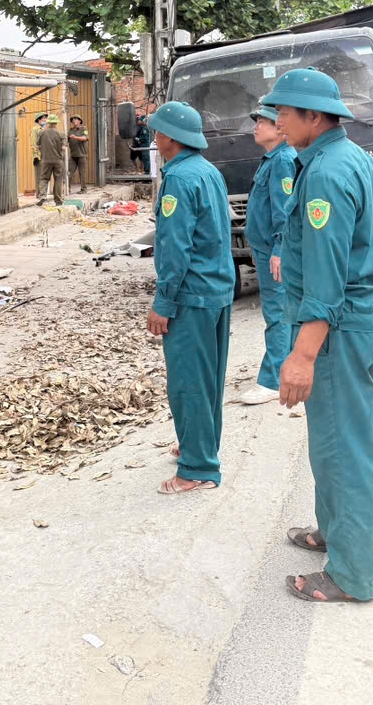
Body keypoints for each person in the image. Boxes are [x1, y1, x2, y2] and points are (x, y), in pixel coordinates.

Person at [261, 67, 373, 605]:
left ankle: (353, 575)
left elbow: (326, 274)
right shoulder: (345, 157)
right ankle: (334, 532)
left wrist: (301, 354)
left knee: (344, 450)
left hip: (337, 329)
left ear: (313, 117)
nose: (276, 122)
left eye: (284, 113)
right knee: (331, 442)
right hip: (353, 322)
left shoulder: (325, 174)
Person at [146, 101, 235, 495]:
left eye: (157, 131)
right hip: (216, 289)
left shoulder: (179, 178)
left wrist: (163, 302)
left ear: (170, 137)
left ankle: (197, 468)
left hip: (192, 296)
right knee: (208, 378)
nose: (154, 137)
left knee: (188, 382)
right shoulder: (207, 170)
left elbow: (175, 246)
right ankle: (199, 445)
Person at [242, 100, 298, 405]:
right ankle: (285, 369)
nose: (256, 126)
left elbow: (285, 212)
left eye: (261, 121)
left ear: (278, 128)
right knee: (281, 311)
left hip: (275, 251)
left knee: (277, 313)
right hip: (265, 250)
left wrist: (278, 249)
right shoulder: (272, 159)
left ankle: (273, 380)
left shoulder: (282, 161)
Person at [37, 113, 65, 205]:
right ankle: (58, 201)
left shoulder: (42, 132)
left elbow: (38, 146)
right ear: (56, 123)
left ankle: (43, 196)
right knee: (58, 180)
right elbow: (63, 148)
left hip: (45, 160)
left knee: (44, 178)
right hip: (58, 160)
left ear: (48, 123)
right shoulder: (61, 133)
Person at [68, 115, 89, 190]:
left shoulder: (84, 129)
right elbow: (66, 140)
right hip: (73, 155)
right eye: (73, 120)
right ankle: (68, 188)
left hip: (82, 155)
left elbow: (85, 138)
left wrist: (75, 137)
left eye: (76, 119)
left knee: (82, 173)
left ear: (80, 121)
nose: (74, 121)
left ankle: (83, 189)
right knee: (69, 173)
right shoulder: (70, 130)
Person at [30, 113, 48, 199]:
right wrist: (35, 156)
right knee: (39, 176)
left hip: (45, 156)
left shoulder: (44, 129)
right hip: (39, 156)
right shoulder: (35, 129)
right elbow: (33, 144)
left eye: (45, 118)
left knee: (44, 176)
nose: (45, 120)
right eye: (43, 118)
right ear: (38, 120)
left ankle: (43, 194)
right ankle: (39, 194)